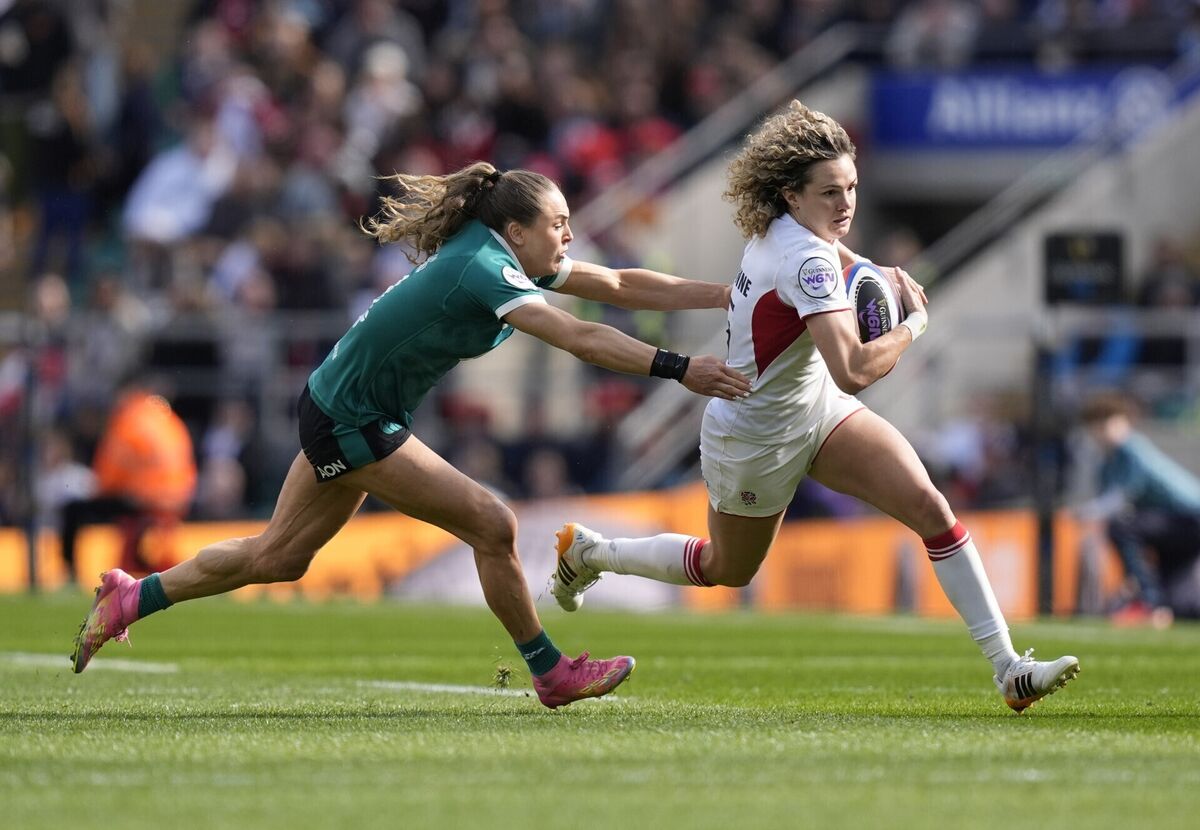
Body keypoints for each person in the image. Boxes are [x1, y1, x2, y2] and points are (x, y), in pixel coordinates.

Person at [72, 161, 752, 710]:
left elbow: (619, 283)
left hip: (340, 405)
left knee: (277, 557)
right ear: (516, 231)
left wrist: (724, 294)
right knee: (492, 523)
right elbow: (577, 335)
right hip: (353, 419)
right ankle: (550, 673)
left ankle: (131, 598)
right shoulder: (485, 268)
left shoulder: (506, 256)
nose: (570, 236)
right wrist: (680, 367)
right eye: (559, 224)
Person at [550, 100, 1080, 714]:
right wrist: (913, 325)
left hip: (816, 411)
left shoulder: (788, 231)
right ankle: (592, 553)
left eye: (851, 187)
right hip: (754, 436)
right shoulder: (805, 261)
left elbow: (832, 265)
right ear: (792, 196)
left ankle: (1009, 669)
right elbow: (854, 370)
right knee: (727, 568)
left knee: (931, 508)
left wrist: (874, 268)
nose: (846, 203)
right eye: (830, 192)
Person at [59, 377, 197, 583]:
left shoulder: (128, 419)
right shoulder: (170, 419)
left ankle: (70, 573)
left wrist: (98, 490)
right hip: (177, 501)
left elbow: (109, 476)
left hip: (143, 500)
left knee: (73, 509)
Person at [1078, 393, 1200, 626]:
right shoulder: (1108, 462)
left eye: (1108, 422)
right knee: (1180, 604)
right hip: (1172, 529)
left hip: (1188, 520)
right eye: (1097, 425)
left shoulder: (1131, 450)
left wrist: (1088, 512)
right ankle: (1160, 605)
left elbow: (1122, 496)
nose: (1102, 431)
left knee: (1122, 526)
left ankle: (1148, 597)